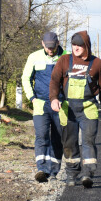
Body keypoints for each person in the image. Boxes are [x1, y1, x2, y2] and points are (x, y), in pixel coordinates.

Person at [49, 31, 101, 189]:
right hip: (68, 108)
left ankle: (88, 174)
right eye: (74, 44)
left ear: (87, 46)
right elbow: (55, 81)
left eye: (80, 45)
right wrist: (54, 98)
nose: (76, 48)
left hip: (88, 108)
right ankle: (71, 173)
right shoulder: (64, 60)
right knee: (69, 143)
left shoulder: (96, 63)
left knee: (88, 141)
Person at [22, 31, 67, 183]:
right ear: (42, 44)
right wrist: (32, 98)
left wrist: (67, 100)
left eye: (52, 47)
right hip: (40, 104)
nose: (50, 50)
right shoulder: (34, 57)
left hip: (60, 105)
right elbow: (26, 78)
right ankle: (42, 169)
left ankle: (54, 171)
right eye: (47, 47)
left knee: (57, 138)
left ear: (58, 44)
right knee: (42, 136)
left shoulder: (66, 57)